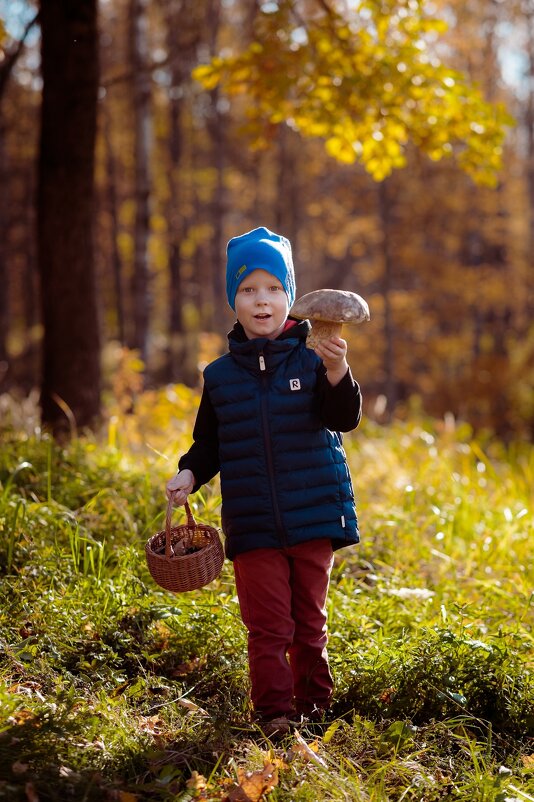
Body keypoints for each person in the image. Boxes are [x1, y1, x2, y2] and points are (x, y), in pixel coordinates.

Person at [166, 226, 362, 737]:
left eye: (274, 288)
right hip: (253, 523)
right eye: (249, 289)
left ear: (290, 298)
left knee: (308, 623)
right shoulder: (220, 376)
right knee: (268, 626)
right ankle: (276, 715)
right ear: (234, 299)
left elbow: (341, 419)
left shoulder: (314, 356)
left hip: (314, 514)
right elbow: (210, 441)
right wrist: (189, 472)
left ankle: (315, 710)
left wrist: (340, 375)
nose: (262, 300)